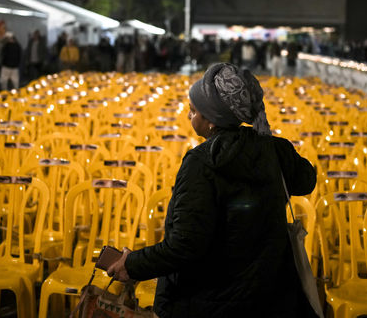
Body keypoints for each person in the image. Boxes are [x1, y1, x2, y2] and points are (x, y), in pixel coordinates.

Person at [107, 63, 317, 317]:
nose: (189, 116)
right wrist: (274, 147)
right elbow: (306, 180)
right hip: (270, 298)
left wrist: (133, 264)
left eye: (193, 111)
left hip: (209, 301)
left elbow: (186, 244)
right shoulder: (274, 150)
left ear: (211, 121)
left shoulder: (201, 163)